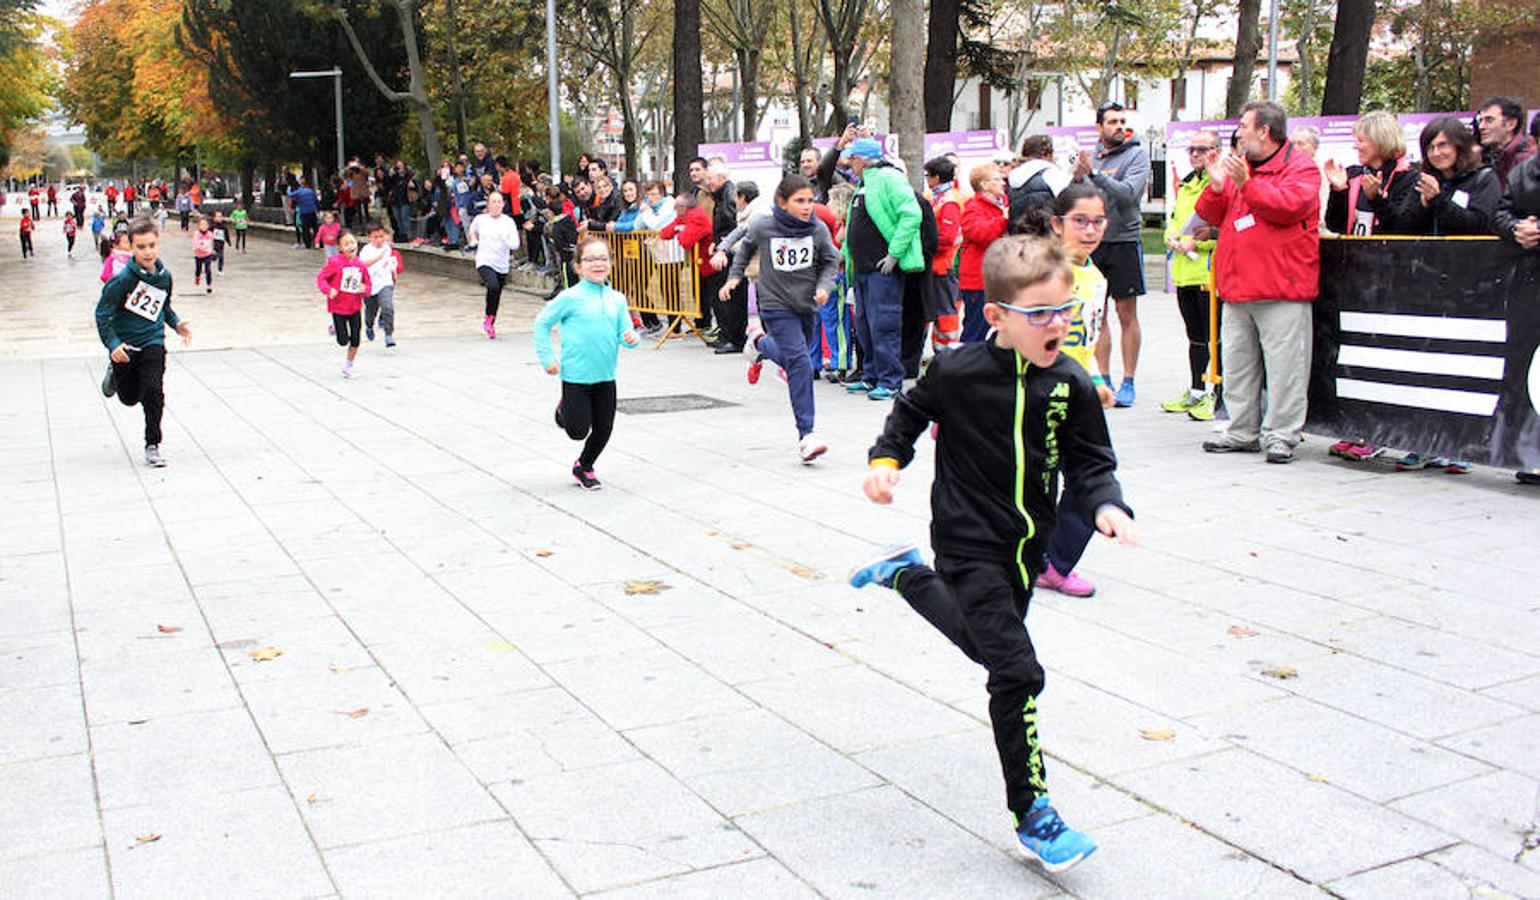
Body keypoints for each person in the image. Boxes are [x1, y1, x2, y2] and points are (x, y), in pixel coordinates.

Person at [849, 233, 1137, 875]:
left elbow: (1093, 462)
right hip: (966, 543)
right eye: (1039, 313)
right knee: (1017, 672)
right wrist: (886, 460)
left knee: (991, 650)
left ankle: (906, 576)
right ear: (997, 316)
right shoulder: (957, 372)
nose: (1056, 324)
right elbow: (909, 411)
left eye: (1064, 309)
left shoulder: (1071, 382)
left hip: (1025, 552)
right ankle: (1034, 814)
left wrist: (1107, 505)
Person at [1196, 100, 1321, 464]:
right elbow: (1208, 215)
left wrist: (1245, 184)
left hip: (1281, 288)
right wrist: (1216, 185)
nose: (1239, 133)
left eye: (1245, 127)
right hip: (1237, 288)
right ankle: (1241, 430)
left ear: (1265, 131)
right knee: (1238, 365)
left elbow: (1287, 207)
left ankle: (1281, 435)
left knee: (1285, 369)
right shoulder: (1241, 168)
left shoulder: (1301, 168)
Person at [723, 174, 842, 462]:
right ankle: (807, 435)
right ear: (782, 202)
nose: (807, 207)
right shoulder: (764, 226)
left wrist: (824, 286)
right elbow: (746, 248)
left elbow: (831, 260)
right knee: (800, 362)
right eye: (800, 201)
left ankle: (759, 343)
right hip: (775, 304)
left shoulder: (817, 229)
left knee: (796, 358)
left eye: (810, 200)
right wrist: (735, 277)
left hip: (806, 304)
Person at [533, 235, 641, 490]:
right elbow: (542, 324)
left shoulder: (617, 299)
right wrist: (547, 359)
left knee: (604, 428)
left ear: (611, 263)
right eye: (591, 259)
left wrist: (631, 338)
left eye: (603, 258)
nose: (598, 264)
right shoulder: (569, 297)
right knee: (578, 431)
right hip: (576, 376)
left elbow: (626, 333)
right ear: (578, 266)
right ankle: (564, 411)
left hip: (605, 375)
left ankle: (584, 466)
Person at [96, 216, 192, 468]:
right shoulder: (122, 281)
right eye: (141, 247)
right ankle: (114, 375)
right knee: (129, 398)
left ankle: (152, 444)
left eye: (151, 245)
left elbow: (164, 307)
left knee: (153, 391)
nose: (147, 252)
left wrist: (176, 324)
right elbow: (102, 314)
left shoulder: (164, 277)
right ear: (131, 247)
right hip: (125, 347)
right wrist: (113, 344)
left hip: (153, 341)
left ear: (158, 243)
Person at [1070, 102, 1149, 407]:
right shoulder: (1093, 155)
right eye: (1113, 122)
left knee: (1126, 313)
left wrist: (1095, 175)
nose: (1119, 126)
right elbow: (1080, 197)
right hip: (1095, 243)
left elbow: (1128, 194)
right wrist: (1079, 177)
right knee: (1097, 314)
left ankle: (1129, 380)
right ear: (1099, 127)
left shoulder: (1136, 154)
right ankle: (1102, 379)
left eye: (1122, 121)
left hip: (1124, 241)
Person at [843, 138, 925, 400]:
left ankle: (890, 380)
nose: (849, 163)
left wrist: (894, 253)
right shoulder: (864, 184)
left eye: (852, 158)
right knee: (865, 326)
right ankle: (870, 376)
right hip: (863, 269)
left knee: (884, 325)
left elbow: (911, 214)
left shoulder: (889, 178)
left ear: (862, 159)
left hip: (882, 270)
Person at [1161, 130, 1221, 420]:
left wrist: (1198, 243)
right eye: (1192, 149)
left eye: (1203, 149)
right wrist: (1171, 238)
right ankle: (1196, 391)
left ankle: (1217, 395)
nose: (1196, 154)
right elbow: (1175, 221)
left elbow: (1221, 229)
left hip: (1208, 274)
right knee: (1194, 336)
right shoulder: (1186, 184)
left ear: (1216, 152)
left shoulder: (1219, 184)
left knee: (1215, 338)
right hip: (1184, 273)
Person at [1396, 117, 1500, 237]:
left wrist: (1438, 200)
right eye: (1430, 148)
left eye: (1442, 145)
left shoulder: (1483, 179)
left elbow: (1480, 226)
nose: (1436, 153)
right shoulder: (1424, 182)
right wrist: (1422, 207)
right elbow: (1402, 229)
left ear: (1459, 146)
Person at [1323, 110, 1419, 237]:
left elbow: (1402, 228)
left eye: (1361, 141)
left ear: (1381, 142)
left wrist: (1377, 199)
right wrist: (1339, 191)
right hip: (1353, 250)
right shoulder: (1351, 174)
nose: (1355, 146)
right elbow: (1334, 225)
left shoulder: (1409, 178)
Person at [959, 163, 1011, 343]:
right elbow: (981, 234)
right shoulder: (973, 207)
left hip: (996, 277)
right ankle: (966, 359)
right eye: (997, 179)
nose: (1003, 183)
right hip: (978, 280)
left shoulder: (1003, 204)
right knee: (976, 330)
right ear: (984, 185)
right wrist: (1003, 219)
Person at [314, 229, 372, 378]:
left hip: (355, 307)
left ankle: (348, 366)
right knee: (342, 341)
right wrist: (328, 290)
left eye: (352, 242)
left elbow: (368, 285)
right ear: (339, 247)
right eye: (346, 244)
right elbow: (321, 278)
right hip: (338, 307)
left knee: (356, 339)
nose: (350, 246)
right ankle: (334, 326)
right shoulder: (335, 262)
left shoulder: (361, 265)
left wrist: (364, 289)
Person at [923, 157, 966, 352]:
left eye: (928, 175)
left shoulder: (950, 202)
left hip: (943, 266)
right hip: (936, 265)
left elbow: (947, 238)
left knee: (945, 314)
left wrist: (925, 246)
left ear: (937, 177)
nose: (926, 179)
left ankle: (946, 353)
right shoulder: (936, 197)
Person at [467, 191, 520, 338]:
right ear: (488, 204)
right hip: (485, 260)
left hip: (501, 263)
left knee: (496, 293)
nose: (496, 205)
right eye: (493, 202)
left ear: (503, 204)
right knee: (492, 286)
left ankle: (490, 320)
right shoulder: (481, 219)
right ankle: (489, 318)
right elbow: (472, 230)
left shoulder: (508, 222)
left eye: (499, 202)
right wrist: (473, 240)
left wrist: (506, 240)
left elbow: (515, 244)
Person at [1008, 135, 1070, 232]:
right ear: (1048, 155)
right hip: (1048, 233)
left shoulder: (1014, 177)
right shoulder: (1051, 174)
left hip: (1019, 233)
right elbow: (1068, 201)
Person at [359, 220, 404, 348]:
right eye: (376, 237)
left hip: (385, 282)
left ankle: (388, 334)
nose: (379, 240)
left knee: (387, 306)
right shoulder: (365, 251)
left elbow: (393, 262)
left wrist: (393, 269)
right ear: (369, 237)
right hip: (370, 285)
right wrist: (377, 258)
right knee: (371, 311)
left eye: (381, 236)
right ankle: (369, 325)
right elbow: (362, 265)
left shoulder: (388, 248)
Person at [1476, 96, 1535, 185]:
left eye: (1489, 120)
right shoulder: (1500, 156)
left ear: (1511, 124)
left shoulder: (1526, 160)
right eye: (1480, 121)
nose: (1481, 126)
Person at [288, 177, 320, 249]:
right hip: (312, 211)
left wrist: (289, 188)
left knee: (306, 229)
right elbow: (316, 200)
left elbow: (290, 194)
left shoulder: (299, 192)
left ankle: (308, 244)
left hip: (304, 212)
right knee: (315, 228)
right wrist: (317, 209)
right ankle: (318, 243)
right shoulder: (310, 191)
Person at [191, 216, 216, 293]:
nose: (204, 226)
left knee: (208, 269)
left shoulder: (210, 234)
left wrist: (211, 250)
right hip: (198, 254)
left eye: (205, 225)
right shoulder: (197, 234)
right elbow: (197, 245)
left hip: (207, 254)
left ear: (208, 226)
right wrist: (204, 249)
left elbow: (212, 243)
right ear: (199, 226)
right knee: (198, 269)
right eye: (202, 225)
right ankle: (197, 277)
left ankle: (209, 285)